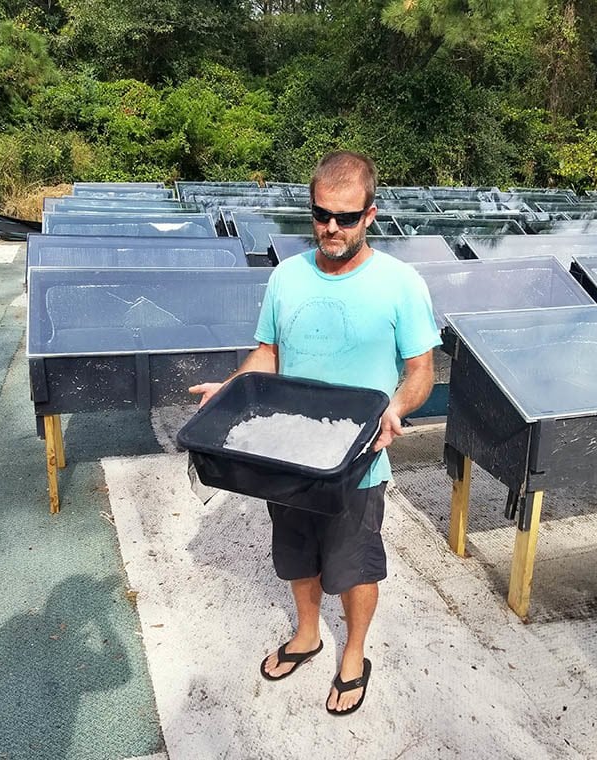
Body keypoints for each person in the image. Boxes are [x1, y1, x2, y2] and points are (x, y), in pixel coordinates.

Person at [189, 151, 441, 715]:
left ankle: (354, 656)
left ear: (370, 216)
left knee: (355, 566)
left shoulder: (400, 283)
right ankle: (307, 635)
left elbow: (422, 369)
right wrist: (229, 391)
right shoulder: (287, 274)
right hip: (289, 456)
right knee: (295, 556)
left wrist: (397, 407)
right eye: (321, 214)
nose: (331, 227)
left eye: (346, 217)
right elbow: (268, 353)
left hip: (359, 459)